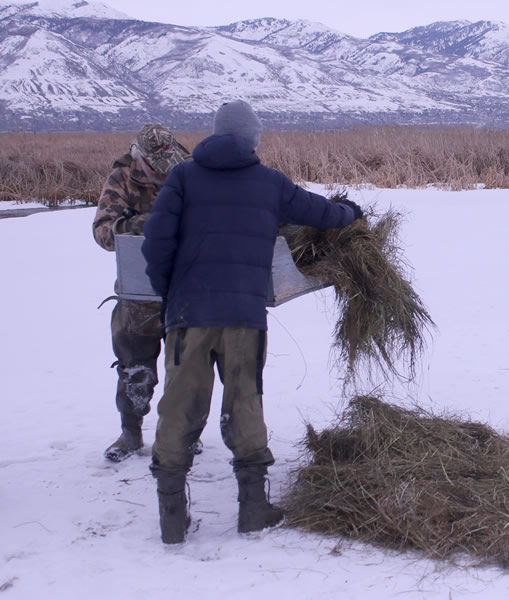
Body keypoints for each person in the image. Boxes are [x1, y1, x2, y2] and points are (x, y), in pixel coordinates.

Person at [141, 100, 363, 544]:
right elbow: (319, 212)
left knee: (180, 403)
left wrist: (172, 294)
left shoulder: (183, 177)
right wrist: (351, 213)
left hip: (189, 314)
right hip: (243, 317)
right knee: (244, 400)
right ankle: (253, 509)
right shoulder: (269, 183)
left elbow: (155, 243)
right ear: (252, 139)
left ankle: (171, 517)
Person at [92, 124, 198, 462]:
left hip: (186, 286)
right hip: (139, 292)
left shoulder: (189, 169)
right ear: (142, 161)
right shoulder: (122, 177)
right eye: (158, 169)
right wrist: (137, 226)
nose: (165, 174)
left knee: (188, 367)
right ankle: (131, 433)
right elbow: (102, 232)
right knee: (135, 369)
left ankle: (184, 435)